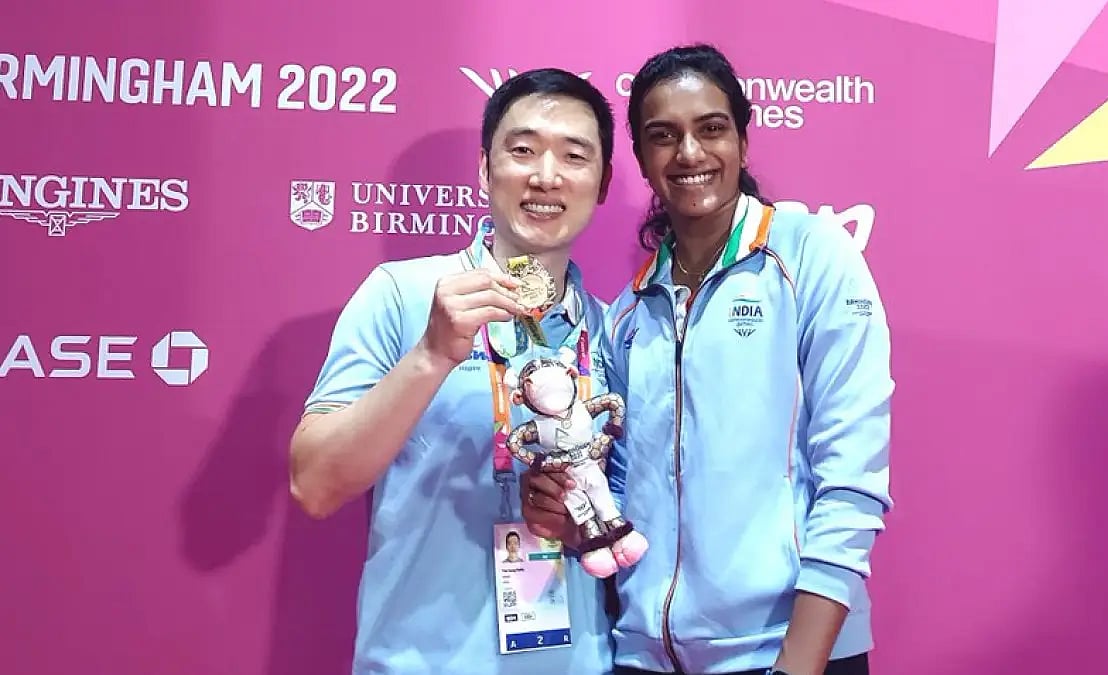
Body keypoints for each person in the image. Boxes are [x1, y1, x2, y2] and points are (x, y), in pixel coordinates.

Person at [521, 44, 894, 675]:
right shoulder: (629, 312)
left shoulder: (810, 257)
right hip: (646, 655)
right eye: (663, 136)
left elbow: (853, 477)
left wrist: (798, 664)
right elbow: (621, 484)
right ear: (640, 159)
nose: (689, 154)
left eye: (711, 129)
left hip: (788, 650)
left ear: (743, 141)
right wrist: (572, 510)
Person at [289, 68, 619, 674]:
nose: (546, 175)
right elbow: (315, 484)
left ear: (601, 186)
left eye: (575, 156)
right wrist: (432, 355)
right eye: (522, 150)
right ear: (483, 169)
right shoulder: (401, 294)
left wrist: (579, 527)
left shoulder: (615, 331)